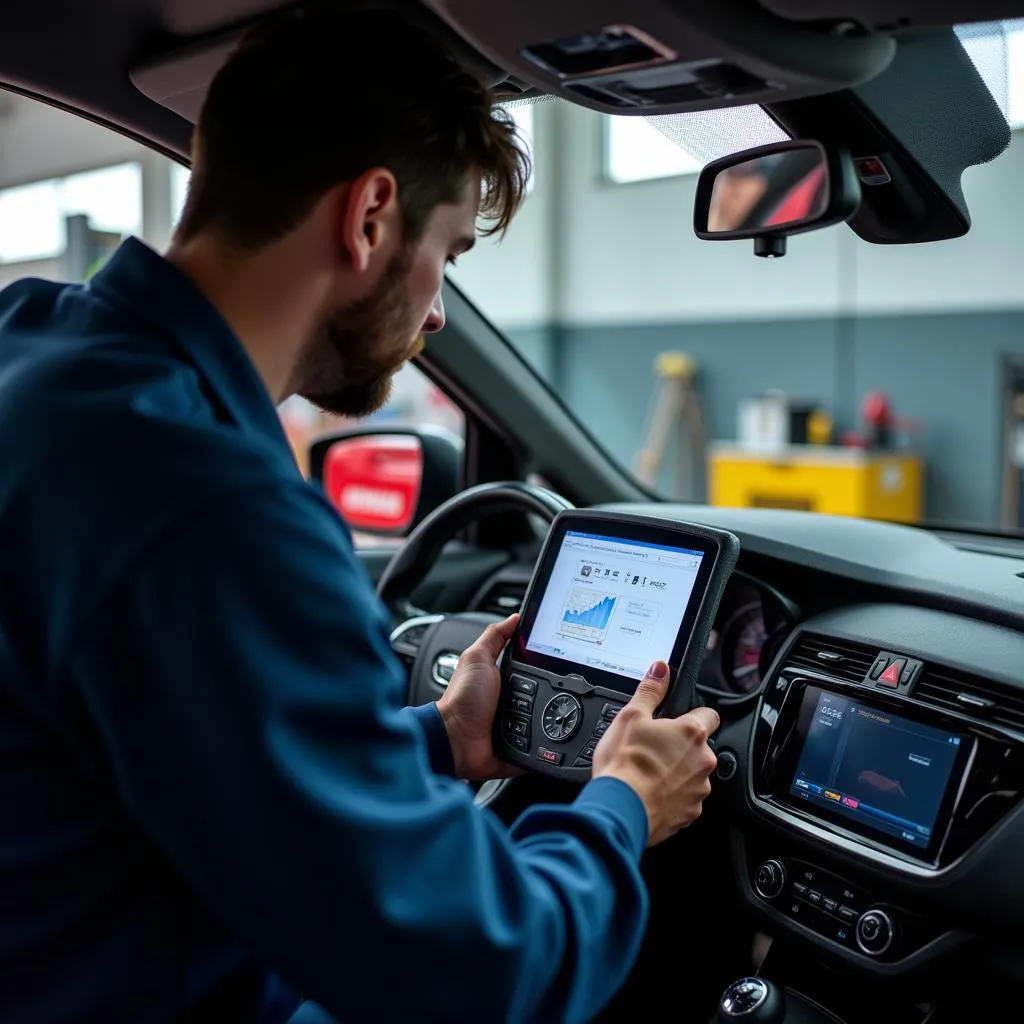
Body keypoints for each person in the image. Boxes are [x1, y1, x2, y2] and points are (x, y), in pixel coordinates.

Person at [0, 5, 720, 1023]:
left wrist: (439, 742)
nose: (433, 315)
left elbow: (178, 752)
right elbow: (480, 967)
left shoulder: (30, 348)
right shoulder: (216, 509)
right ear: (371, 215)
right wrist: (621, 805)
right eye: (450, 256)